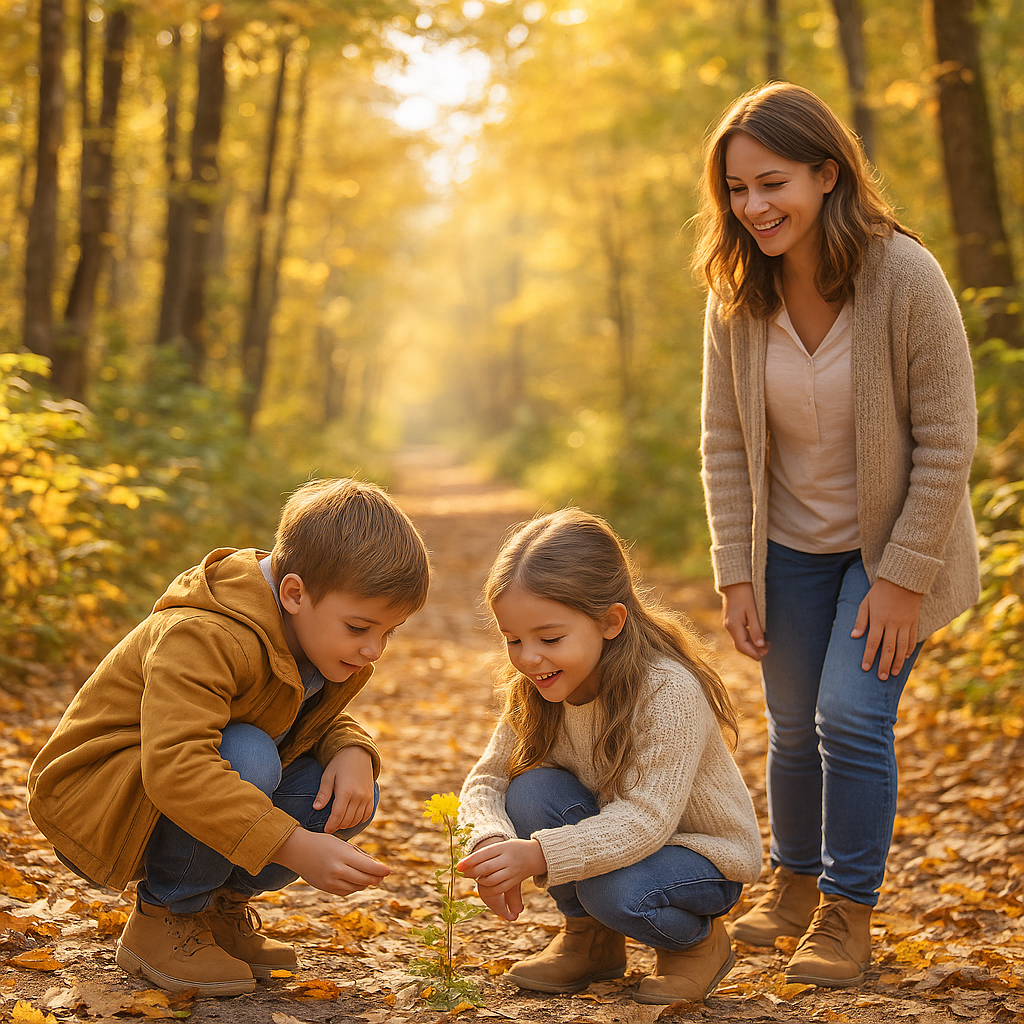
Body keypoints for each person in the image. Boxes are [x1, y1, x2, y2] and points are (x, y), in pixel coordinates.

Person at [694, 82, 980, 988]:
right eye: (737, 190)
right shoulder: (735, 293)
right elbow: (725, 443)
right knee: (788, 726)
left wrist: (903, 576)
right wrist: (736, 573)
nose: (754, 207)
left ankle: (847, 914)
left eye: (771, 183)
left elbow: (949, 437)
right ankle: (791, 888)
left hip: (890, 554)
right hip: (785, 552)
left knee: (850, 720)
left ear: (827, 174)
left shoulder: (903, 276)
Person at [28, 478, 431, 997]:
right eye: (359, 628)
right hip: (102, 798)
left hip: (173, 788)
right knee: (246, 753)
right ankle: (165, 915)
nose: (374, 649)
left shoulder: (312, 630)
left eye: (388, 632)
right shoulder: (202, 634)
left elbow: (296, 713)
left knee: (345, 789)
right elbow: (179, 765)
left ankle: (213, 912)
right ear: (293, 593)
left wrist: (350, 747)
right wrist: (294, 845)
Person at [457, 509, 762, 1005]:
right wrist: (490, 842)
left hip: (699, 857)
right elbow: (486, 781)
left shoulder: (666, 690)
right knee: (529, 788)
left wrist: (537, 854)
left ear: (610, 621)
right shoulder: (537, 686)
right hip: (618, 842)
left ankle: (697, 948)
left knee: (612, 891)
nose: (529, 657)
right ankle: (592, 940)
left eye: (549, 638)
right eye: (514, 640)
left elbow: (647, 818)